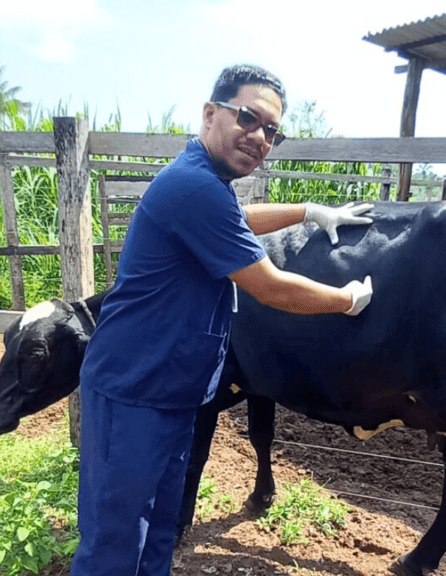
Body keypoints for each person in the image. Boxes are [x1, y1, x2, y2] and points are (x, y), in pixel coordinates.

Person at [73, 64, 375, 576]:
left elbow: (239, 220)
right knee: (114, 544)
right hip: (133, 391)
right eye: (248, 118)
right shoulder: (194, 187)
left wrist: (308, 210)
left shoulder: (206, 184)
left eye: (272, 131)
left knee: (157, 533)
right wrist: (345, 299)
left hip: (171, 392)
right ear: (211, 113)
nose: (260, 138)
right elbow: (273, 287)